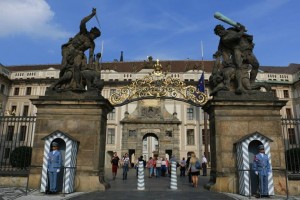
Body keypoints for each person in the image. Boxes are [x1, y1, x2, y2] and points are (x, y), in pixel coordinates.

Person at [60, 8, 101, 89]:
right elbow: (83, 22)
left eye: (96, 37)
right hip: (69, 49)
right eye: (94, 36)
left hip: (79, 53)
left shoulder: (92, 44)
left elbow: (91, 56)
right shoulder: (83, 32)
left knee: (78, 67)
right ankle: (61, 84)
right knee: (64, 66)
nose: (94, 38)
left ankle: (78, 84)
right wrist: (92, 15)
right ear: (91, 32)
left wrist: (90, 66)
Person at [214, 24, 259, 94]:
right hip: (237, 51)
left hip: (247, 50)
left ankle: (252, 83)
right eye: (218, 34)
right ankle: (239, 86)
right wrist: (242, 30)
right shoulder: (224, 39)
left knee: (256, 65)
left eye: (219, 33)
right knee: (239, 67)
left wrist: (238, 27)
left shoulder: (230, 30)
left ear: (222, 29)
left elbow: (239, 32)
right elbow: (237, 36)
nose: (219, 35)